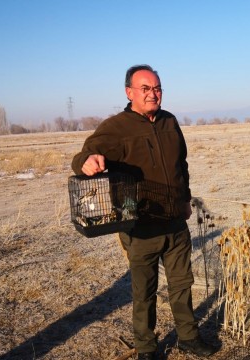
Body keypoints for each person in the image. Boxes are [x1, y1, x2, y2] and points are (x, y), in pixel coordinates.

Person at [71, 64, 218, 360]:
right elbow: (84, 154)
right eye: (145, 89)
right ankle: (148, 348)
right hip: (140, 225)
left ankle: (188, 337)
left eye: (157, 88)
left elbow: (182, 165)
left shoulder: (169, 121)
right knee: (144, 291)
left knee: (182, 284)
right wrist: (87, 162)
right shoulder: (116, 127)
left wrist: (186, 199)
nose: (153, 94)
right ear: (130, 93)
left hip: (175, 221)